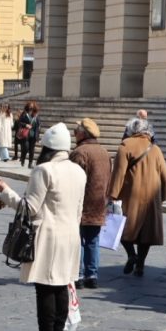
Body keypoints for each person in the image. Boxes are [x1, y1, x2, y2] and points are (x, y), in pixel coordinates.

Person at [0, 123, 86, 331]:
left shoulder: (44, 170)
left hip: (48, 235)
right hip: (71, 235)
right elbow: (78, 209)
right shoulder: (78, 171)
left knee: (45, 289)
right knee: (62, 286)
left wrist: (6, 191)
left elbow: (30, 208)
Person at [108, 118, 166, 277]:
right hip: (151, 197)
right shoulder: (155, 149)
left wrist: (113, 195)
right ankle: (140, 264)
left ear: (131, 131)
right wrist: (162, 196)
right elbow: (164, 175)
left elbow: (118, 173)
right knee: (146, 232)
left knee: (122, 227)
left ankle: (131, 255)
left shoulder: (125, 146)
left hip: (130, 195)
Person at [69, 118, 112, 289]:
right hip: (100, 202)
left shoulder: (80, 153)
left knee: (78, 239)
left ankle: (78, 274)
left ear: (82, 134)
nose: (74, 135)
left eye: (76, 132)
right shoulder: (104, 152)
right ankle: (92, 274)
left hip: (81, 203)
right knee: (93, 240)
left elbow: (72, 178)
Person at [15, 101, 41, 168]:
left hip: (33, 135)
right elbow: (19, 123)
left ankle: (30, 163)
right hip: (25, 135)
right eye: (30, 107)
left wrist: (37, 136)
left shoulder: (36, 115)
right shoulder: (24, 114)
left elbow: (38, 126)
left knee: (31, 150)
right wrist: (26, 125)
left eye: (32, 107)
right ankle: (23, 158)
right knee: (26, 148)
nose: (31, 108)